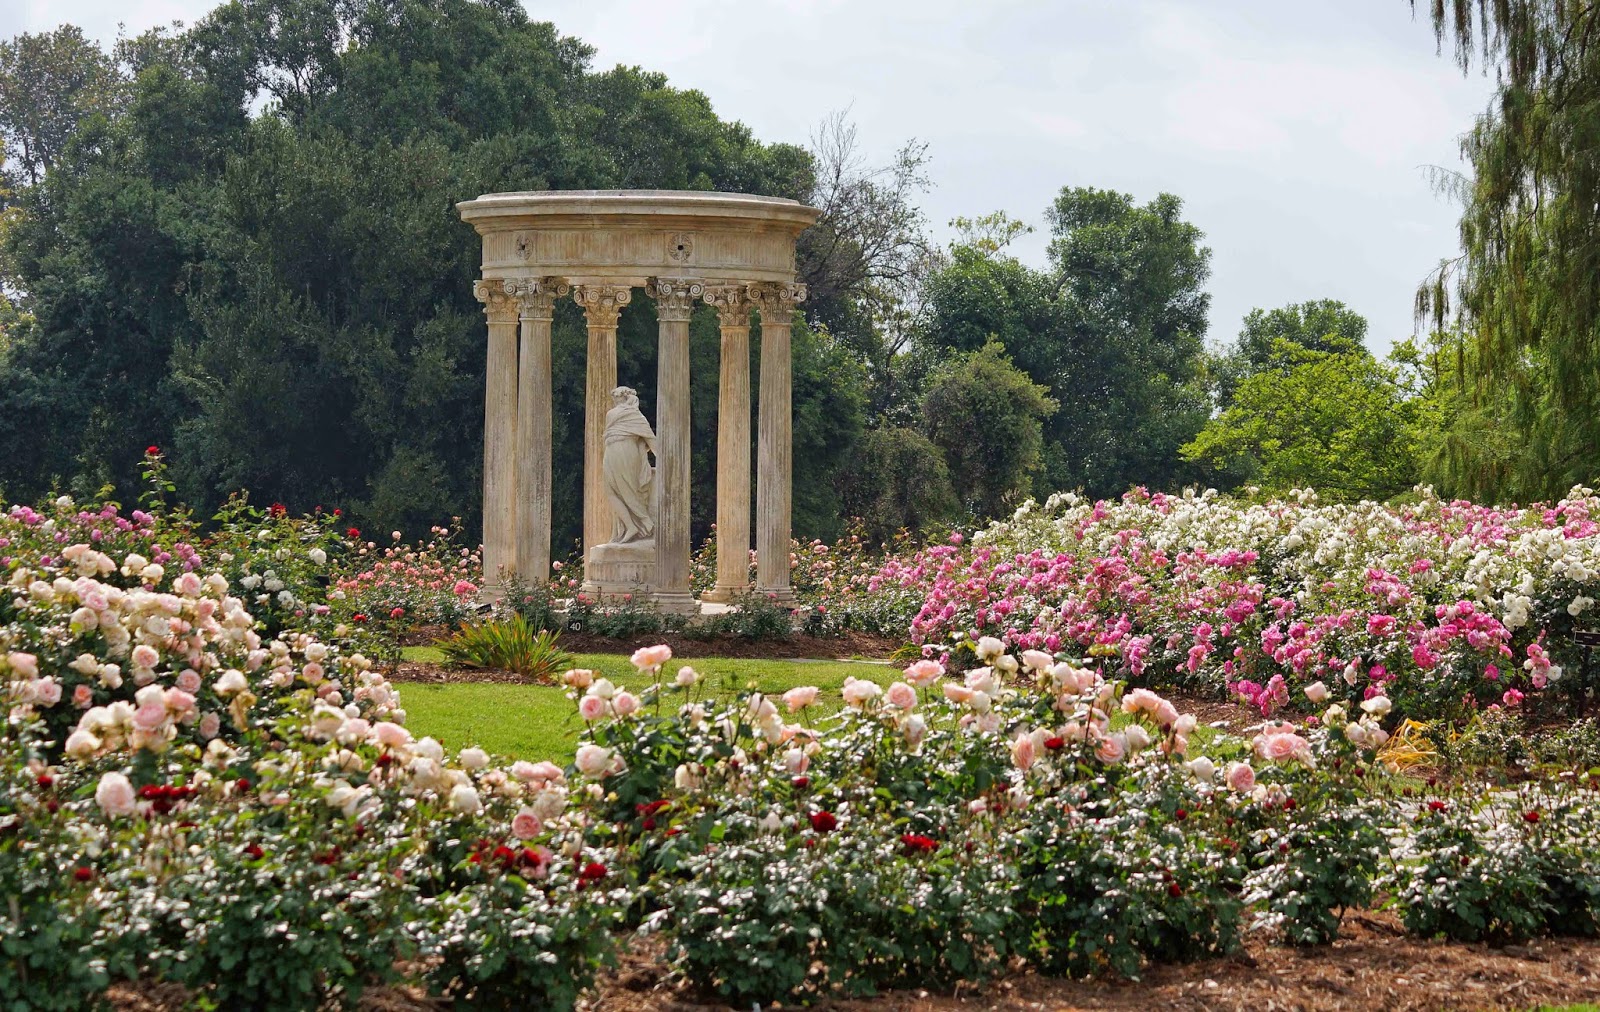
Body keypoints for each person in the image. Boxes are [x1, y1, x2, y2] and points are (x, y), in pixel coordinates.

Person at [602, 386, 656, 543]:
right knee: (611, 491)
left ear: (624, 398)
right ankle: (630, 526)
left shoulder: (633, 415)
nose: (615, 402)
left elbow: (651, 441)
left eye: (617, 398)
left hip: (625, 451)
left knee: (628, 491)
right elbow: (651, 442)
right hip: (611, 452)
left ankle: (643, 522)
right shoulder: (619, 415)